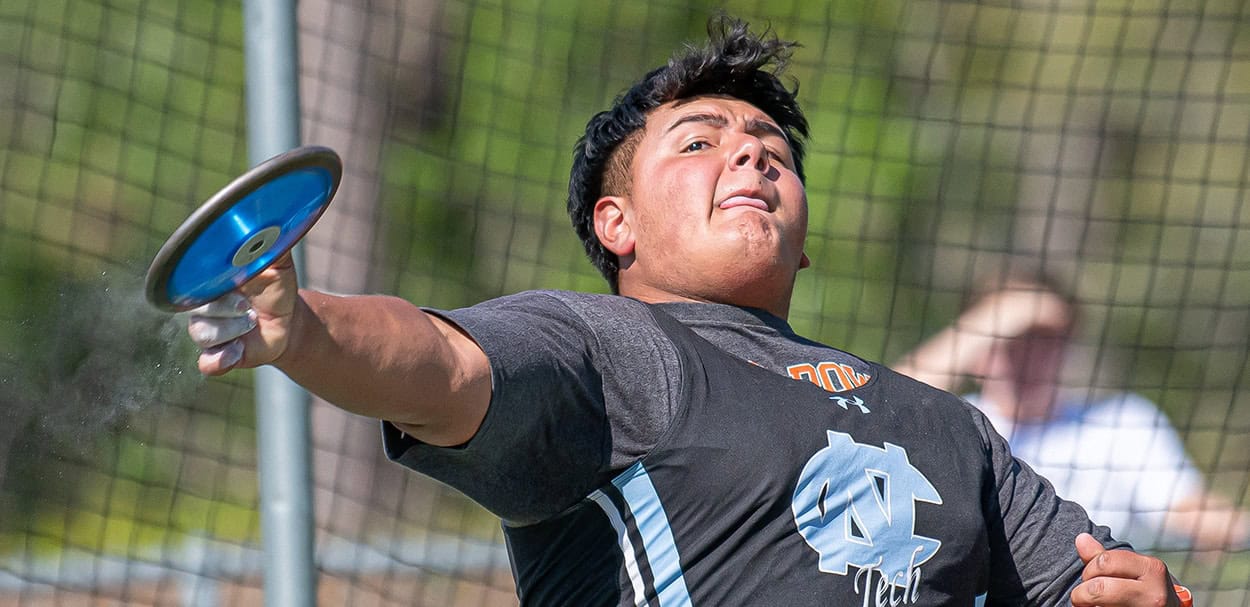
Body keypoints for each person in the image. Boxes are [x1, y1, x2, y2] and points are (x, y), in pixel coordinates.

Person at [187, 16, 1188, 606]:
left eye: (771, 148)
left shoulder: (946, 425)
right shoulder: (604, 348)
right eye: (698, 142)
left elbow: (1100, 583)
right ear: (612, 221)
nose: (751, 153)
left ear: (805, 236)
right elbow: (441, 371)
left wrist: (1138, 593)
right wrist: (308, 332)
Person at [893, 273, 1250, 554]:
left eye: (1044, 339)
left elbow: (1189, 511)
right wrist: (1000, 314)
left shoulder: (1123, 423)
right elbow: (884, 408)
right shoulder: (958, 424)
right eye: (1012, 339)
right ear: (978, 344)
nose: (1028, 356)